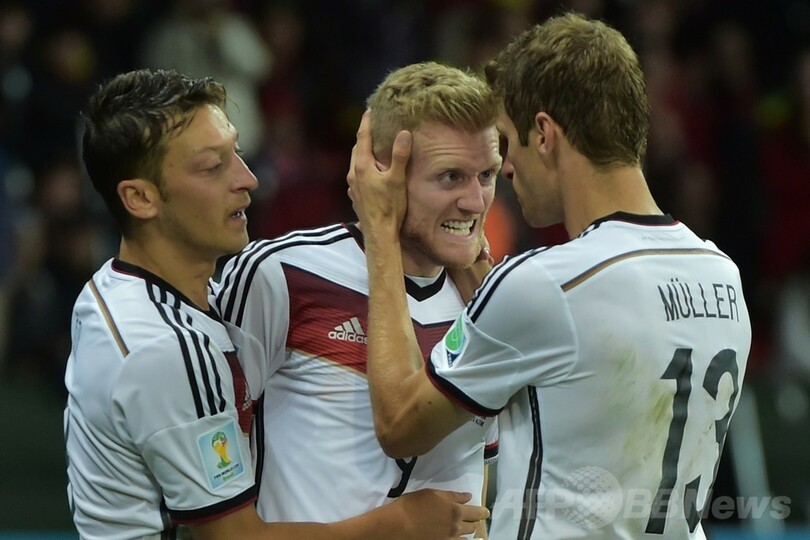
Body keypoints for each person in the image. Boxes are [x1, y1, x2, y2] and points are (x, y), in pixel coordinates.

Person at [347, 12, 752, 539]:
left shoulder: (550, 283)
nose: (507, 169)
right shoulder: (723, 274)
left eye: (507, 141)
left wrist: (380, 229)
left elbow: (400, 424)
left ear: (543, 134)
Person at [63, 68, 488, 540]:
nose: (248, 179)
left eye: (237, 153)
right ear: (140, 198)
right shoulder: (171, 347)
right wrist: (399, 524)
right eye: (213, 167)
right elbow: (234, 538)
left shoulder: (116, 294)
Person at [211, 61, 500, 538]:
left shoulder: (490, 303)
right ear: (381, 174)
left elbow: (478, 490)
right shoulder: (282, 275)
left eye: (486, 174)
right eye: (450, 177)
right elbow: (208, 479)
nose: (475, 201)